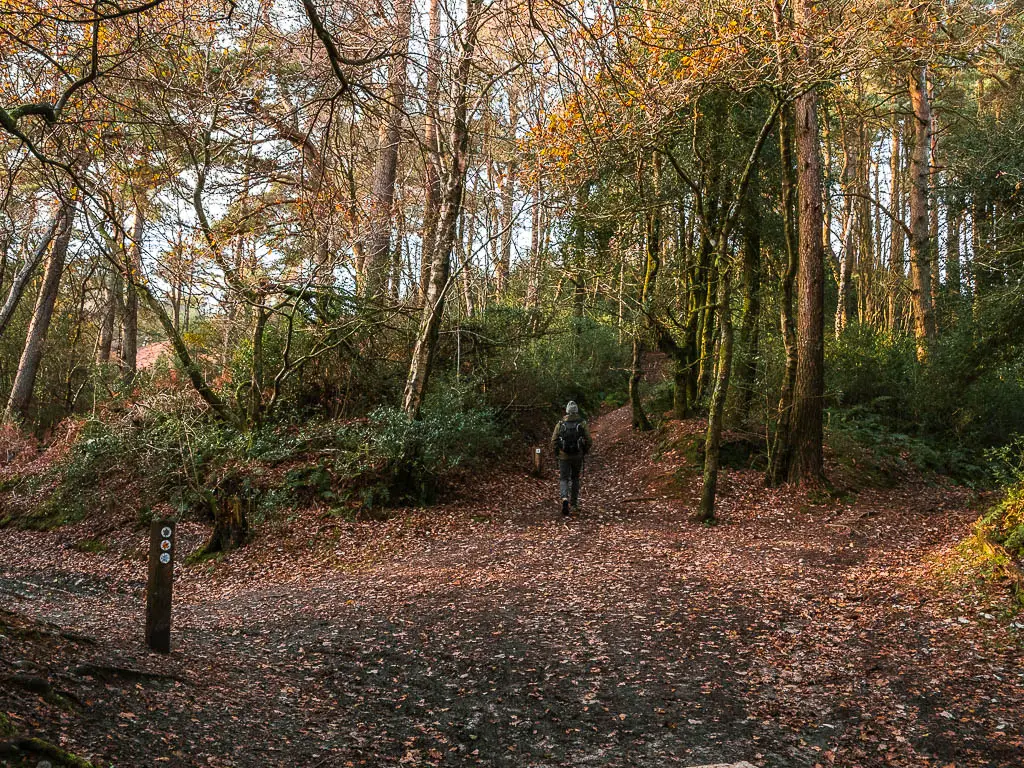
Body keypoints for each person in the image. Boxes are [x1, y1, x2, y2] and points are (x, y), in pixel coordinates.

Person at [550, 401, 591, 515]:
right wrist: (584, 450)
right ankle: (574, 504)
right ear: (576, 410)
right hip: (577, 455)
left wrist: (557, 452)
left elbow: (553, 440)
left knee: (563, 478)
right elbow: (589, 440)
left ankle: (564, 499)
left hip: (564, 456)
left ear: (567, 411)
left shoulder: (560, 423)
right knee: (575, 479)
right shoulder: (582, 423)